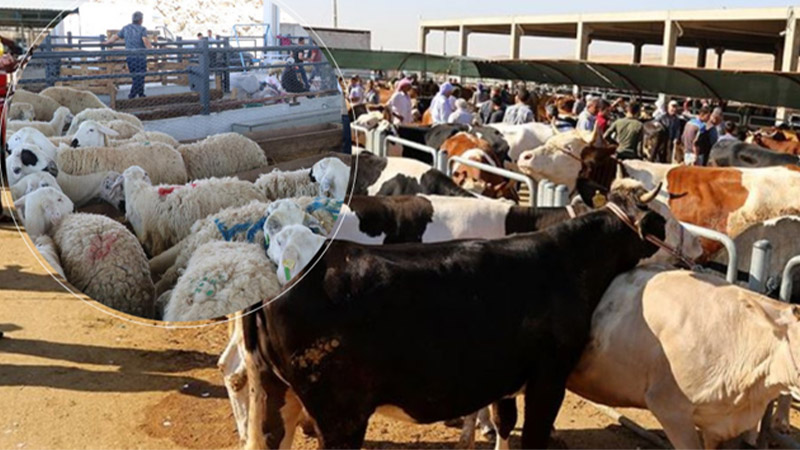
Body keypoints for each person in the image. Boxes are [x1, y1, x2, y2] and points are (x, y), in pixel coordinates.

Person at [102, 11, 152, 99]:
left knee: (135, 76)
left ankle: (141, 94)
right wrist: (151, 50)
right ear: (140, 20)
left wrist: (107, 42)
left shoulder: (126, 28)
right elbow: (145, 40)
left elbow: (115, 37)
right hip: (140, 57)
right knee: (140, 77)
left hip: (130, 57)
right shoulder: (142, 29)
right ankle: (132, 96)